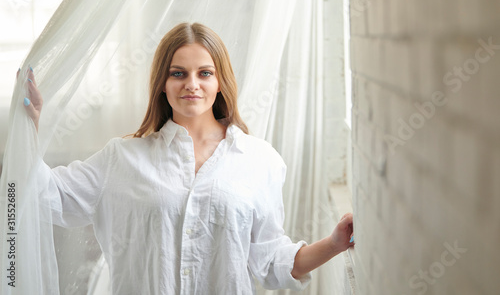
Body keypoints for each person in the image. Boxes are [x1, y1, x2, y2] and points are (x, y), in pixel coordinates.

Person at [24, 22, 354, 294]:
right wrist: (29, 128)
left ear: (221, 81)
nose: (192, 85)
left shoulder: (260, 160)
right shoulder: (121, 159)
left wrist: (335, 243)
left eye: (205, 73)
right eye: (178, 73)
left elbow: (271, 263)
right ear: (162, 85)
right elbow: (47, 196)